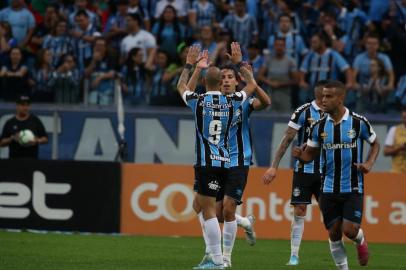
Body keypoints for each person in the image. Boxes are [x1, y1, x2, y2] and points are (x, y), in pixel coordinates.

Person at [177, 43, 258, 269]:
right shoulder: (234, 102)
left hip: (205, 163)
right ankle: (214, 257)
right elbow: (251, 85)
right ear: (221, 83)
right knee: (206, 208)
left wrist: (191, 66)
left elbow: (181, 86)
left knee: (208, 210)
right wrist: (240, 64)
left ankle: (217, 259)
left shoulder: (198, 102)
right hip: (225, 161)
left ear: (204, 83)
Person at [187, 61, 271, 267]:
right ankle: (243, 224)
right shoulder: (207, 103)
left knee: (227, 209)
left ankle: (224, 259)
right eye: (223, 77)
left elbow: (266, 102)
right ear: (217, 82)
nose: (226, 81)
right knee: (207, 209)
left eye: (230, 78)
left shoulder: (242, 101)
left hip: (238, 160)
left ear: (237, 81)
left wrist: (250, 79)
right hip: (216, 159)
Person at [293, 80, 380, 270]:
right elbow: (310, 154)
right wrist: (301, 156)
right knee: (333, 232)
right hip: (328, 188)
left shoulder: (358, 122)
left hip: (353, 187)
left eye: (328, 96)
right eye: (323, 96)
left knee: (349, 230)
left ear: (341, 99)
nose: (323, 100)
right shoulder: (319, 127)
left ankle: (360, 240)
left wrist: (369, 163)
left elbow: (375, 143)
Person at [262, 79, 328, 266]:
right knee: (299, 210)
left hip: (328, 171)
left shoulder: (337, 113)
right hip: (304, 170)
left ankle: (341, 249)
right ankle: (294, 255)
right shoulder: (303, 112)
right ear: (318, 94)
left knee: (330, 214)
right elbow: (287, 138)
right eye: (325, 94)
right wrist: (274, 166)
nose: (327, 98)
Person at [384, 107, 406, 173]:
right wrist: (400, 148)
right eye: (404, 117)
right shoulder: (394, 130)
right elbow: (386, 151)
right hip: (397, 171)